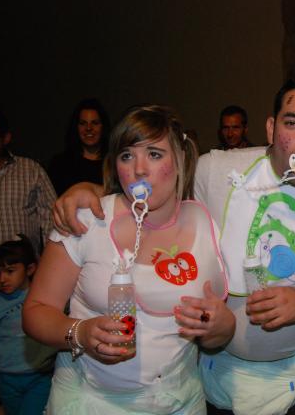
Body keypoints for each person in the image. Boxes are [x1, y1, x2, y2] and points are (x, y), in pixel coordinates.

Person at [50, 72, 295, 415]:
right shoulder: (214, 169)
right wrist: (91, 190)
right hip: (211, 377)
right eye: (292, 123)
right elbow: (155, 190)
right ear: (270, 128)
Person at [23, 105, 234, 413]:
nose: (139, 169)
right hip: (89, 400)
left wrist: (222, 327)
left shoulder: (205, 225)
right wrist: (80, 332)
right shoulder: (86, 220)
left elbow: (213, 333)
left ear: (181, 159)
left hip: (178, 402)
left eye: (154, 154)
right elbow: (35, 311)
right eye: (126, 156)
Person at [0, 235, 56, 415]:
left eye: (10, 271)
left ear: (30, 269)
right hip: (6, 378)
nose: (2, 279)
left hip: (38, 376)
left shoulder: (42, 296)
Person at [0, 111, 56, 255]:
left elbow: (52, 221)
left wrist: (49, 262)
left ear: (5, 138)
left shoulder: (30, 170)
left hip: (21, 266)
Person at [48, 98, 111, 195]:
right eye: (83, 123)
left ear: (103, 127)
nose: (89, 128)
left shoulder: (114, 163)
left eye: (95, 123)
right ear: (76, 128)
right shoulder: (60, 164)